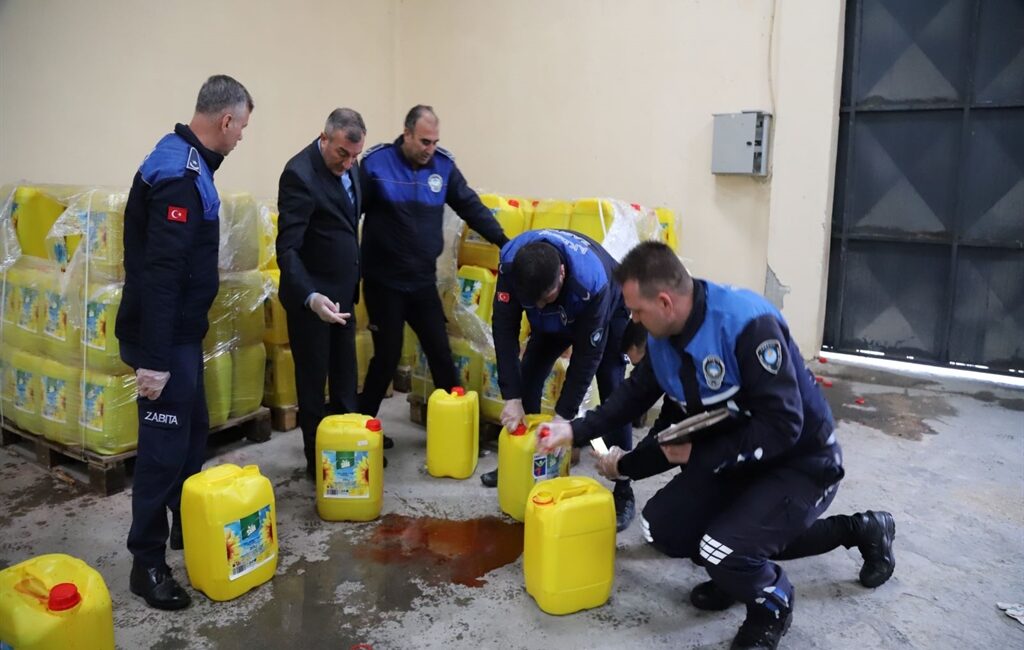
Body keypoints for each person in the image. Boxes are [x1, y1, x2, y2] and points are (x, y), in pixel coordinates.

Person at [539, 242, 896, 649]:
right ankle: (733, 566)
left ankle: (776, 599)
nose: (632, 319)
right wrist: (573, 430)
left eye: (637, 311)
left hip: (801, 461)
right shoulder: (663, 337)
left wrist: (698, 456)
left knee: (722, 547)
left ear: (665, 301)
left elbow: (784, 426)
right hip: (735, 454)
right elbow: (632, 399)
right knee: (664, 528)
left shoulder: (746, 326)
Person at [115, 75, 253, 610]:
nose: (241, 136)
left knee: (193, 436)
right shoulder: (179, 174)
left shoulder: (186, 161)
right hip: (163, 341)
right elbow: (163, 273)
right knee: (162, 454)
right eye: (241, 126)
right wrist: (153, 363)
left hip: (179, 337)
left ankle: (184, 531)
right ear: (225, 121)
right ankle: (145, 563)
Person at [357, 105, 509, 435]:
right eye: (424, 141)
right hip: (384, 282)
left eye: (435, 142)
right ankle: (361, 429)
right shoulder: (376, 164)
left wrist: (505, 242)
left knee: (440, 351)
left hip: (421, 281)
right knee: (387, 356)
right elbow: (348, 213)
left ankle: (455, 429)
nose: (430, 149)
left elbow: (470, 205)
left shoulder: (444, 166)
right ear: (407, 134)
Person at [479, 229, 636, 532]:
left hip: (606, 311)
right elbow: (504, 328)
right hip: (557, 312)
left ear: (562, 273)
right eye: (533, 302)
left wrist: (564, 418)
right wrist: (510, 396)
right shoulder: (512, 265)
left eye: (546, 298)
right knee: (527, 377)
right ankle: (519, 464)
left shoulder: (592, 282)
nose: (539, 307)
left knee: (613, 389)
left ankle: (624, 488)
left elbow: (586, 359)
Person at [276, 108, 366, 479]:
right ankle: (319, 464)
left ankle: (348, 453)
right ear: (324, 138)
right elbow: (288, 249)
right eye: (341, 153)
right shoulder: (299, 174)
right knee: (313, 384)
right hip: (312, 301)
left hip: (343, 295)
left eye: (354, 156)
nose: (347, 163)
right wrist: (311, 297)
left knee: (346, 379)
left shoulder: (351, 166)